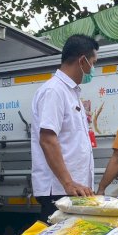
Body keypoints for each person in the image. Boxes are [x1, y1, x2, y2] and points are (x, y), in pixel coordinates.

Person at [31, 34, 98, 222]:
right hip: (59, 191)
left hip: (72, 191)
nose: (93, 69)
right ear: (82, 60)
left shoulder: (71, 93)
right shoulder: (54, 91)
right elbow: (47, 139)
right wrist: (68, 183)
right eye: (93, 62)